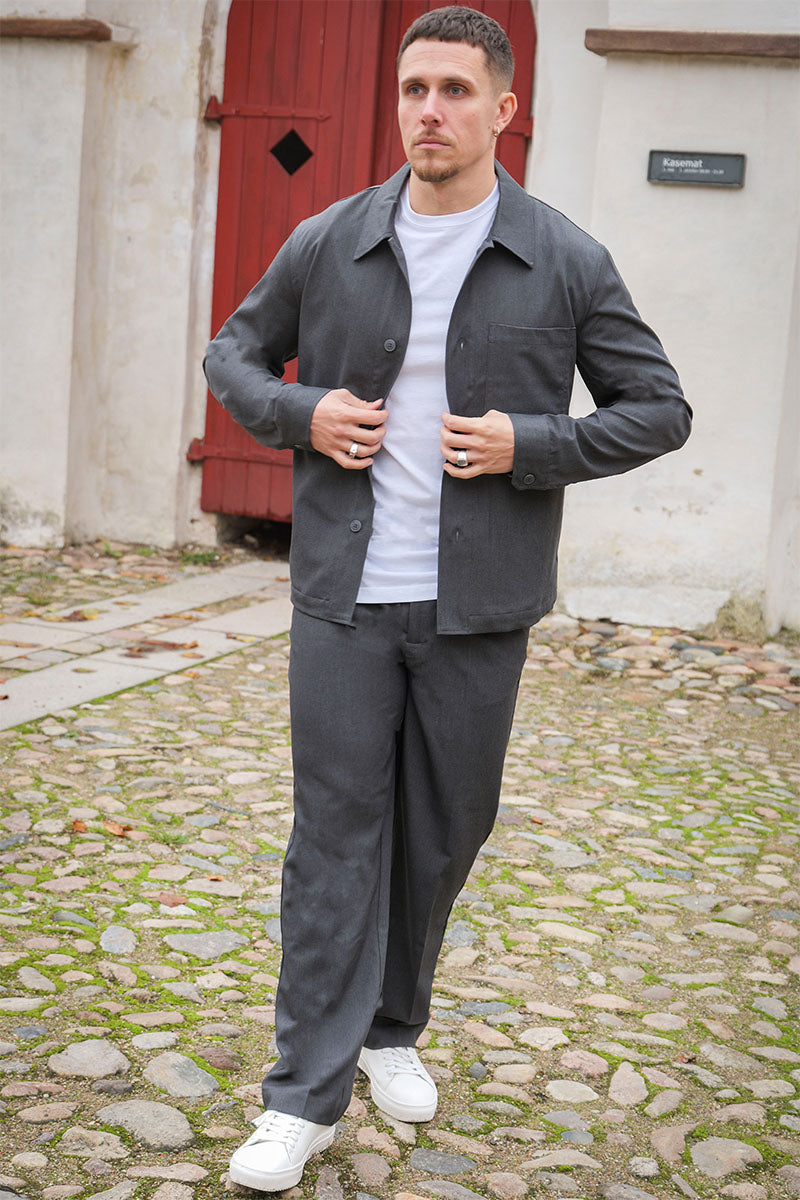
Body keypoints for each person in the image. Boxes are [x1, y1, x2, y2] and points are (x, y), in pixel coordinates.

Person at [204, 6, 692, 1190]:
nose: (429, 110)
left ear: (502, 109)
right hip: (343, 598)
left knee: (441, 833)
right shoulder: (327, 239)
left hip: (478, 607)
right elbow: (232, 355)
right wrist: (300, 413)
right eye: (414, 89)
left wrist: (532, 444)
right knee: (333, 839)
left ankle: (390, 1026)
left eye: (455, 90)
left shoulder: (563, 257)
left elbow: (657, 409)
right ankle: (299, 1096)